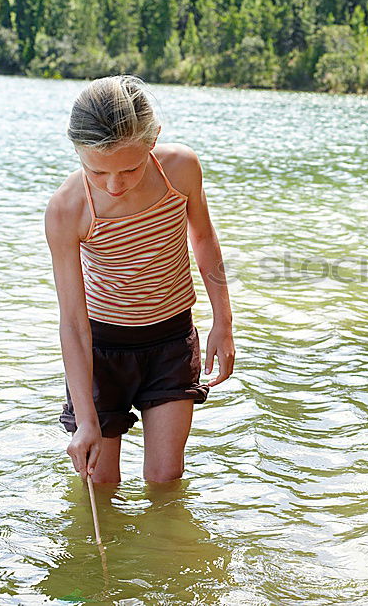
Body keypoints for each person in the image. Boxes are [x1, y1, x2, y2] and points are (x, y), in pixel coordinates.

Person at [45, 75, 235, 485]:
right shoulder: (67, 210)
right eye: (97, 171)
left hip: (170, 341)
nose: (115, 185)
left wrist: (224, 322)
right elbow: (74, 324)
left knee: (166, 476)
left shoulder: (180, 170)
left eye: (129, 169)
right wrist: (85, 421)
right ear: (77, 151)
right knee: (100, 482)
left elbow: (202, 239)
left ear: (153, 140)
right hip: (102, 351)